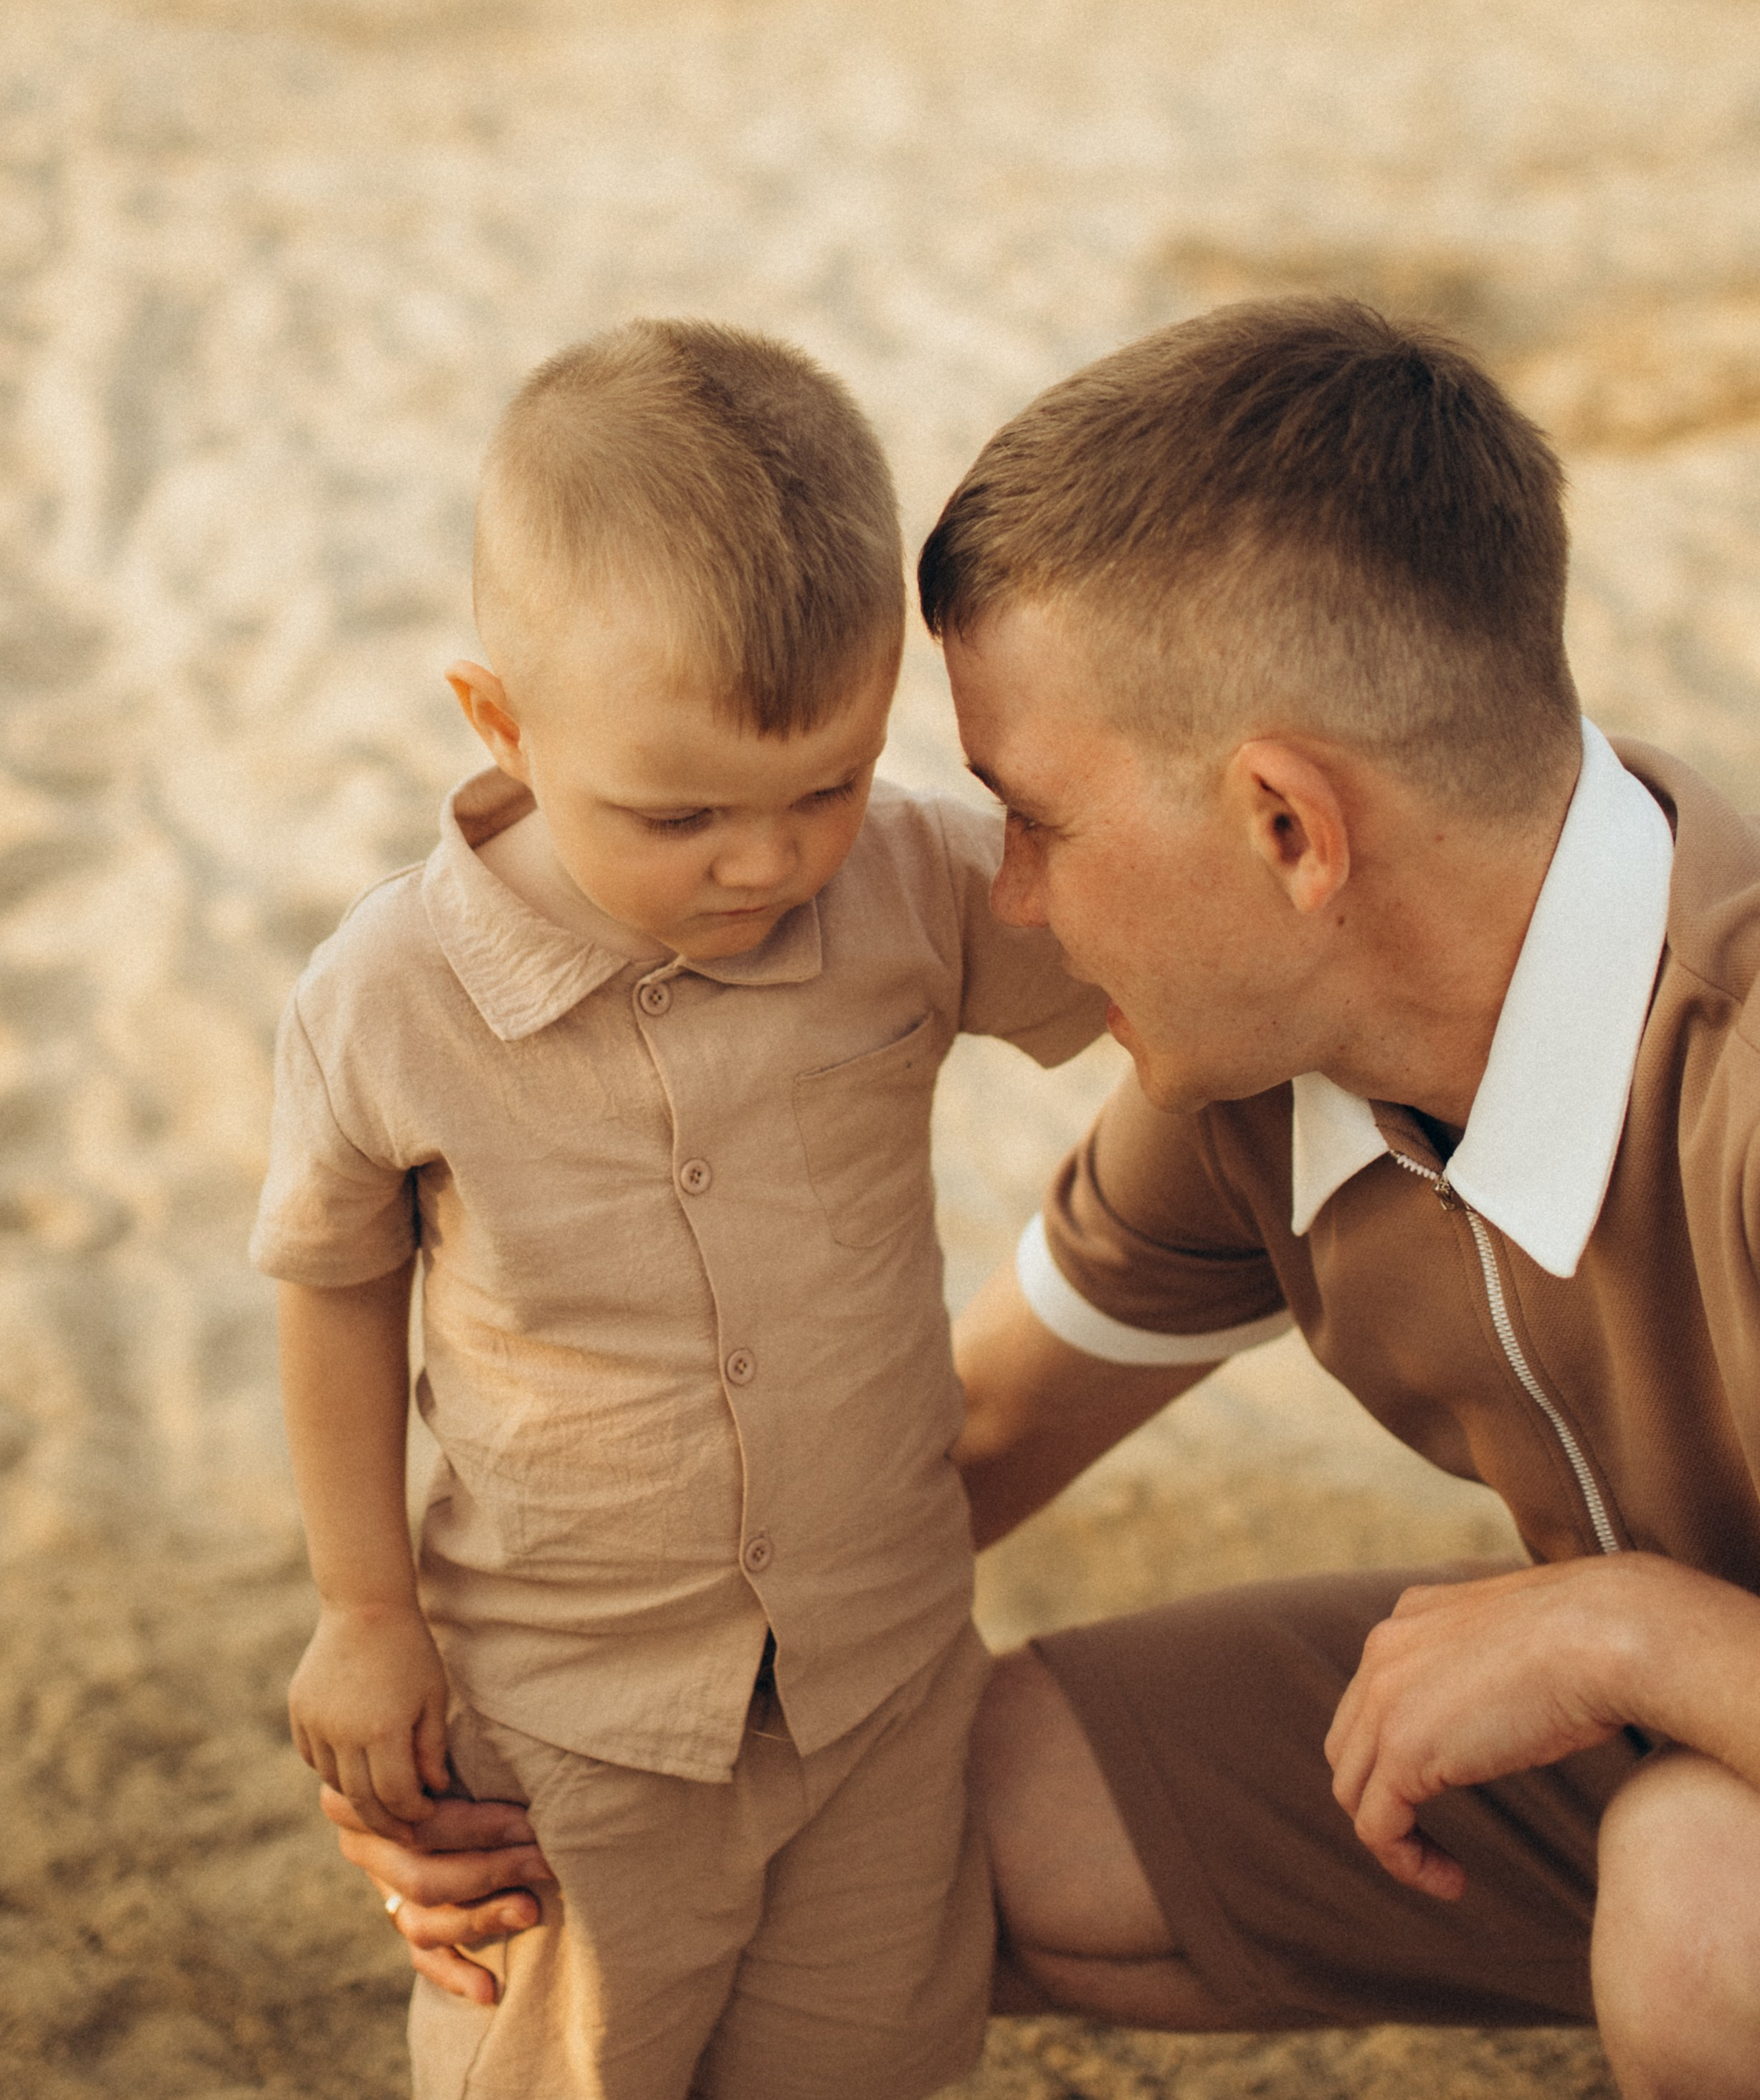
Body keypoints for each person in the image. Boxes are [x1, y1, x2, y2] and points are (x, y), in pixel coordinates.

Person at [329, 301, 1760, 2100]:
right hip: (1638, 1727)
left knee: (1710, 1894)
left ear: (1289, 829)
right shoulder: (1268, 1066)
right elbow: (974, 1426)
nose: (1004, 897)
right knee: (933, 1816)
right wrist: (526, 1743)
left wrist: (1630, 1627)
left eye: (1034, 816)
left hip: (1711, 1773)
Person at [252, 318, 1107, 2100]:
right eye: (681, 810)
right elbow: (334, 1282)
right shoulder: (391, 992)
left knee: (861, 2059)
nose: (768, 857)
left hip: (880, 1668)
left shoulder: (910, 884)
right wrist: (362, 1604)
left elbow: (1157, 977)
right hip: (573, 1715)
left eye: (826, 781)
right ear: (501, 717)